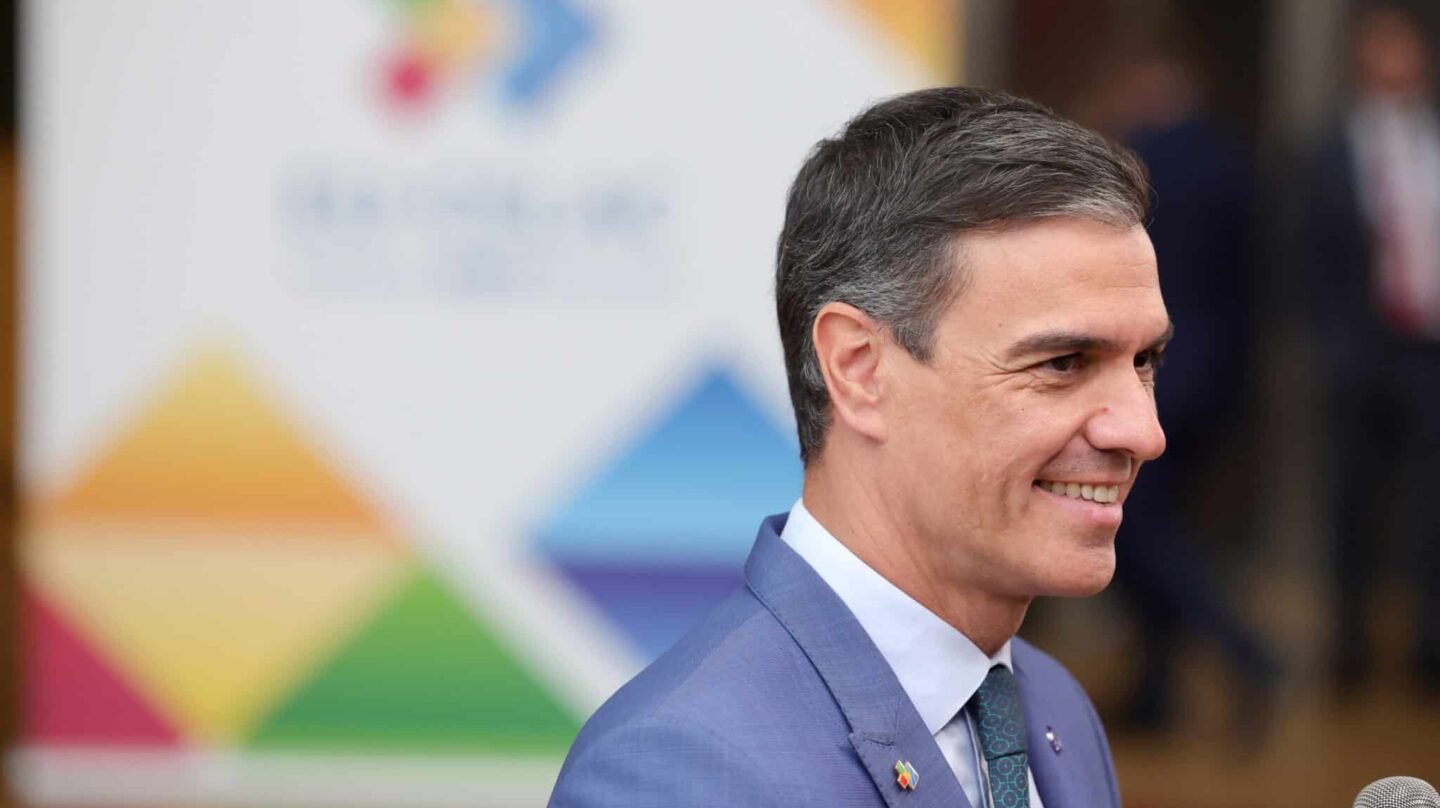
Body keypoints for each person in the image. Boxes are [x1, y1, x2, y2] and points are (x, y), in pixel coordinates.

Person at [549, 87, 1170, 808]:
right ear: (858, 369)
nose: (1141, 431)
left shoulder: (1053, 708)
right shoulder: (677, 771)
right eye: (1062, 363)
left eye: (1145, 361)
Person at [1306, 2, 1440, 696]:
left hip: (1430, 352)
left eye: (1402, 44)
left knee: (1431, 509)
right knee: (1352, 505)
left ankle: (1427, 647)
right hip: (1358, 352)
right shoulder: (1330, 146)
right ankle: (1349, 647)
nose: (1391, 57)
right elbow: (1304, 253)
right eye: (1378, 43)